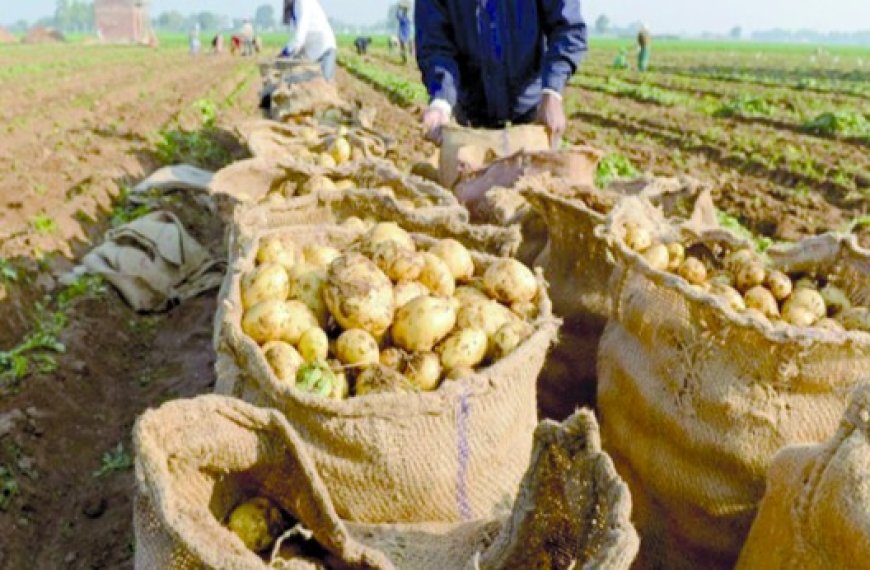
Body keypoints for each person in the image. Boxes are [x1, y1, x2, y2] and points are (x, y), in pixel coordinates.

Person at [415, 0, 587, 147]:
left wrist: (552, 92)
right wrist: (441, 101)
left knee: (535, 181)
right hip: (472, 117)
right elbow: (434, 44)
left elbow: (568, 29)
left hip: (532, 114)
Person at [282, 0, 338, 81]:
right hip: (311, 50)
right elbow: (296, 36)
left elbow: (300, 34)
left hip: (325, 49)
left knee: (324, 82)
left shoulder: (302, 3)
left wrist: (286, 52)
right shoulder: (295, 7)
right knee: (296, 79)